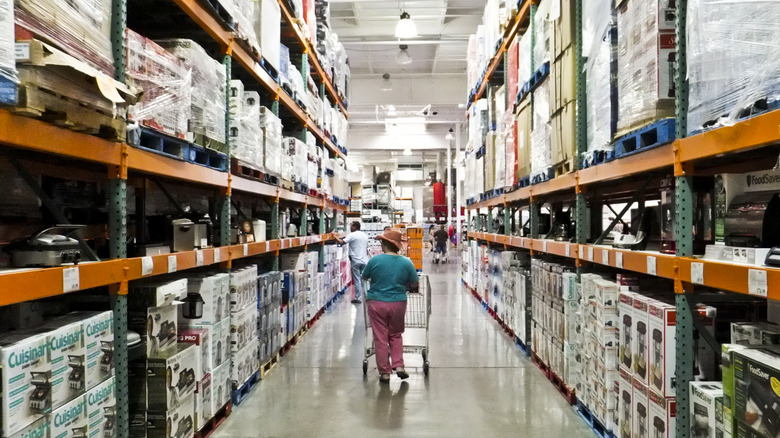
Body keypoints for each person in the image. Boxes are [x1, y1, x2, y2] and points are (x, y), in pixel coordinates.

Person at [362, 228, 419, 383]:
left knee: (380, 337)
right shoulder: (406, 262)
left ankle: (385, 372)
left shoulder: (374, 260)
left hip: (376, 302)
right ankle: (399, 365)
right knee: (395, 334)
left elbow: (365, 276)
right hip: (398, 303)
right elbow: (414, 283)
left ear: (386, 244)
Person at [333, 221, 369, 304]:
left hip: (356, 260)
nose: (350, 227)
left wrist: (334, 236)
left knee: (357, 279)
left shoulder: (352, 235)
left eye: (351, 226)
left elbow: (341, 242)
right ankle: (367, 297)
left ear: (355, 227)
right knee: (365, 279)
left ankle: (358, 298)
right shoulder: (364, 235)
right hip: (364, 260)